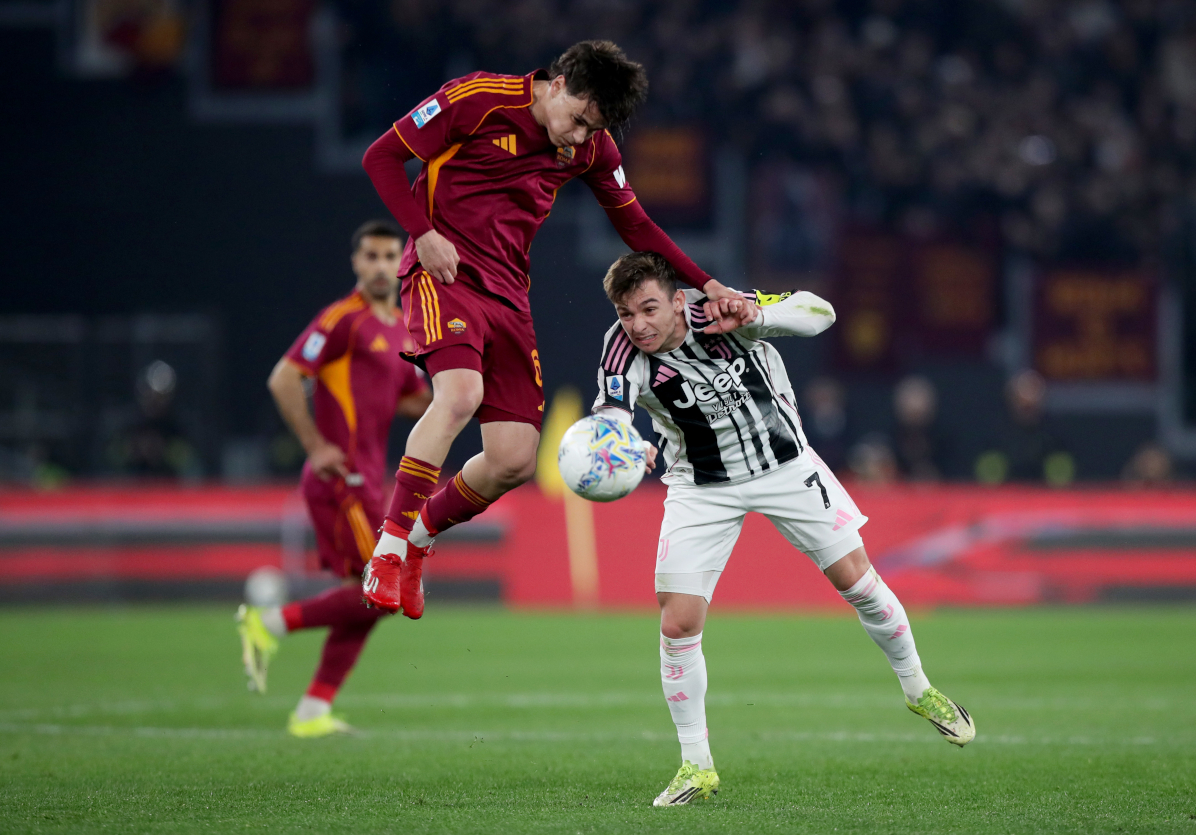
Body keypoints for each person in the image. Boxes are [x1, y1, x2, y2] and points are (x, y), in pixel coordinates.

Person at [358, 39, 753, 618]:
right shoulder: (478, 99)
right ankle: (387, 552)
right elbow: (380, 158)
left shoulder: (592, 147)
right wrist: (423, 232)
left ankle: (418, 542)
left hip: (509, 293)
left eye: (592, 128)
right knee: (461, 394)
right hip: (445, 271)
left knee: (514, 460)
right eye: (577, 120)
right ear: (559, 82)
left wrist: (707, 284)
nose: (577, 137)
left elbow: (636, 225)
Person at [591, 252, 975, 807]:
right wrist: (625, 446)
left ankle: (919, 689)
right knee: (678, 622)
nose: (639, 325)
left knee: (858, 582)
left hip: (786, 466)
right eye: (627, 313)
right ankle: (696, 765)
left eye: (649, 308)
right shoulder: (621, 347)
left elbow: (821, 313)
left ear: (679, 299)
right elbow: (612, 416)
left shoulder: (720, 308)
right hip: (700, 485)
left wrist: (756, 315)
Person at [236, 220, 432, 737]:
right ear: (356, 263)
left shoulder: (400, 329)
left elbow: (410, 400)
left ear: (402, 262)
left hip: (370, 479)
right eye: (371, 256)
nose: (381, 266)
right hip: (340, 477)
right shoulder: (343, 319)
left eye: (391, 256)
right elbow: (283, 377)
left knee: (368, 594)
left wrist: (464, 386)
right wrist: (315, 445)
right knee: (378, 588)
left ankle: (312, 710)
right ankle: (269, 624)